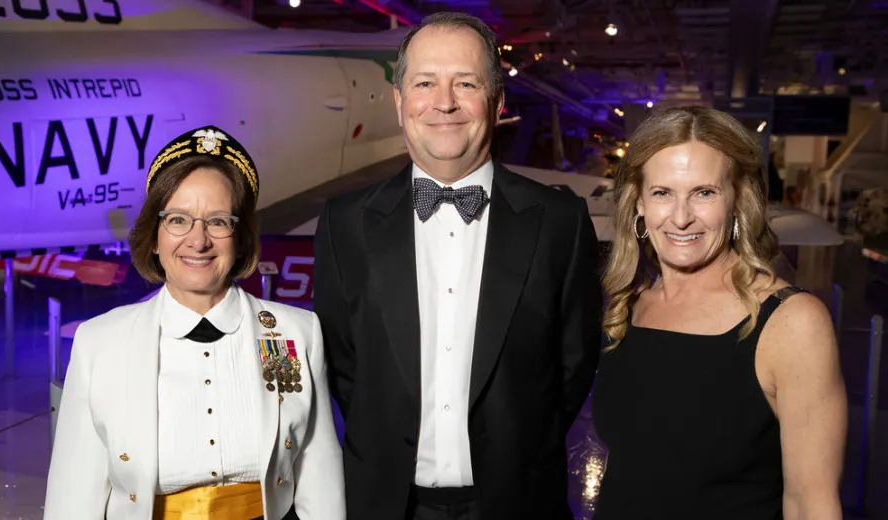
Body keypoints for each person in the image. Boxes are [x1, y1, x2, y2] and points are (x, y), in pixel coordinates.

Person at [313, 12, 602, 520]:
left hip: (518, 502)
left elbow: (574, 362)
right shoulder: (346, 223)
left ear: (497, 100)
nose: (444, 102)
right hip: (385, 503)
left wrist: (521, 448)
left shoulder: (560, 220)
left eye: (465, 83)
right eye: (425, 83)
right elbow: (344, 366)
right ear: (400, 102)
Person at [44, 126, 344, 520]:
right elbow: (73, 495)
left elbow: (319, 477)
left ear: (240, 239)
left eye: (218, 221)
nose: (198, 240)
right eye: (178, 220)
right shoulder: (100, 343)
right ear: (154, 236)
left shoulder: (296, 333)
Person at [592, 106, 848, 519]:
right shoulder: (629, 307)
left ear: (737, 200)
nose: (680, 217)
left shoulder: (791, 322)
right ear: (638, 202)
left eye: (704, 192)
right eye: (662, 193)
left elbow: (811, 505)